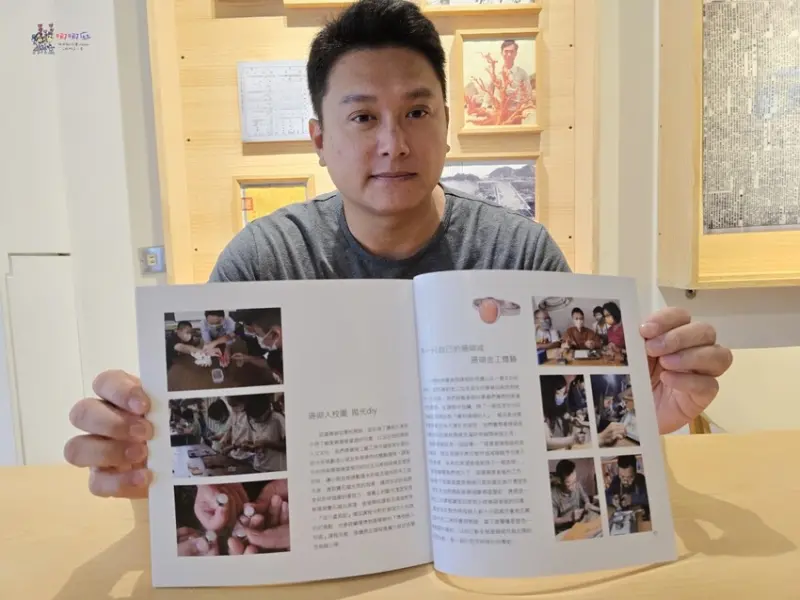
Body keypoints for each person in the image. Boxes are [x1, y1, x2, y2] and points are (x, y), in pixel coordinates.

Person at [62, 0, 733, 499]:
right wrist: (144, 447)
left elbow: (560, 430)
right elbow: (216, 434)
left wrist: (648, 414)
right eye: (362, 117)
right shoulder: (263, 262)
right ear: (319, 139)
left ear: (447, 124)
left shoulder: (519, 254)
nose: (394, 143)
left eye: (417, 112)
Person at [551, 459, 599, 534]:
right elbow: (553, 521)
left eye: (575, 481)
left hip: (579, 524)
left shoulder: (577, 485)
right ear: (560, 481)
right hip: (565, 530)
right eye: (569, 484)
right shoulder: (553, 495)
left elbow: (585, 497)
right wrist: (570, 518)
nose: (574, 487)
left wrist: (587, 503)